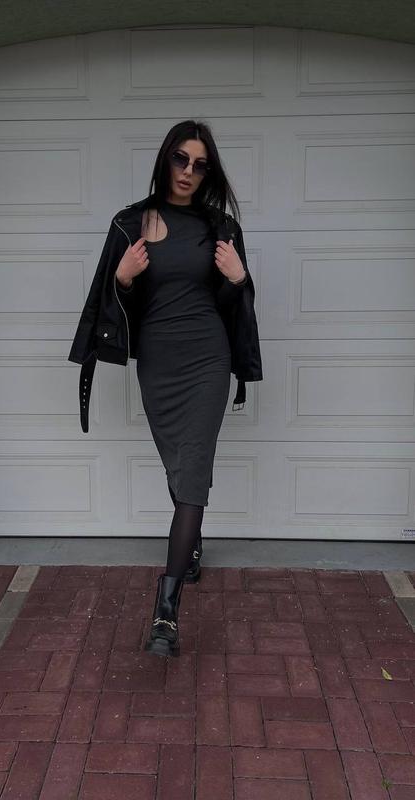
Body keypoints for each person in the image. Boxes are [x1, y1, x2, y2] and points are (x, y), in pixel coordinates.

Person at [68, 118, 262, 658]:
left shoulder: (219, 227)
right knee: (177, 463)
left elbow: (232, 305)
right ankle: (191, 544)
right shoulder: (132, 223)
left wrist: (239, 277)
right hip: (158, 362)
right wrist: (124, 277)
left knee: (193, 469)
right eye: (181, 159)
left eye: (200, 164)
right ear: (165, 159)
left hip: (207, 360)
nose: (188, 171)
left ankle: (166, 609)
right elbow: (113, 306)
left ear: (208, 172)